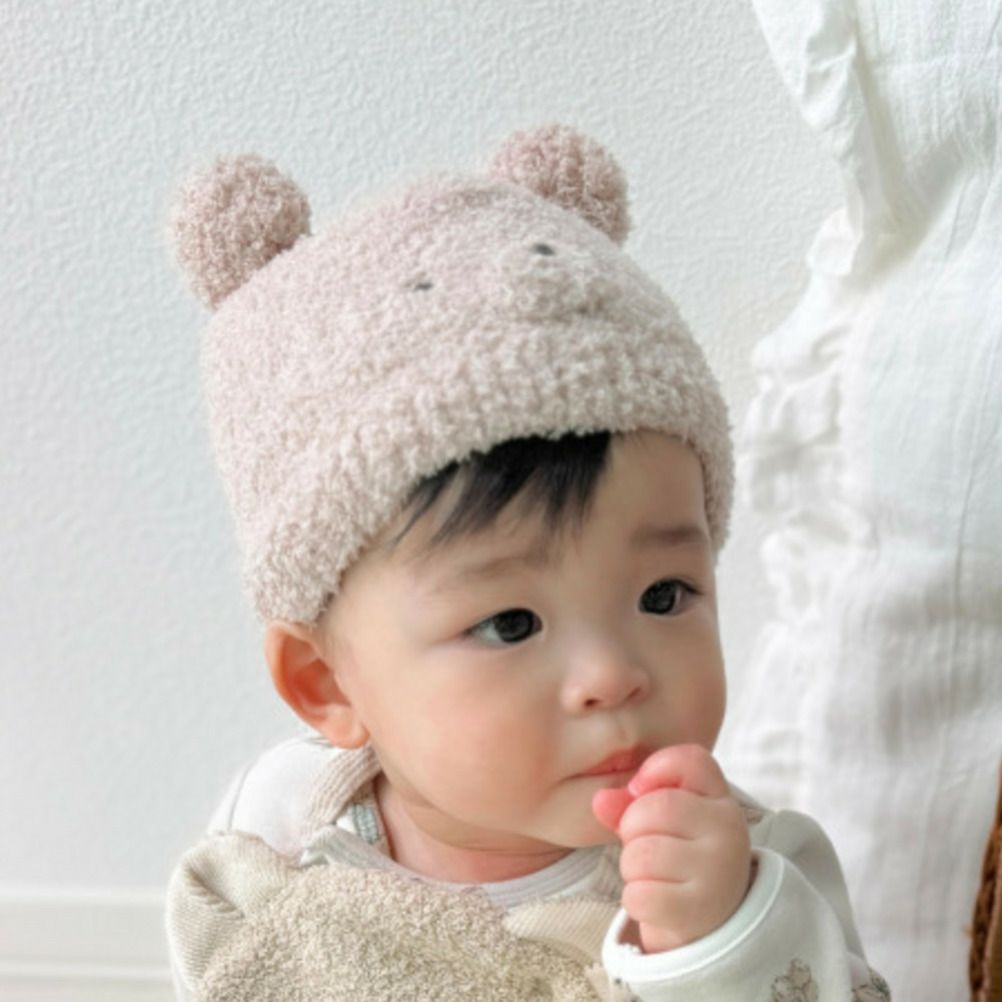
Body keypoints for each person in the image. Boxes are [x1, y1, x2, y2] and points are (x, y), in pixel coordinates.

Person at [164, 123, 890, 1001]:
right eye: (511, 623)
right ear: (326, 683)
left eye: (664, 595)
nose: (612, 676)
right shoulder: (277, 835)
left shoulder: (751, 873)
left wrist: (715, 949)